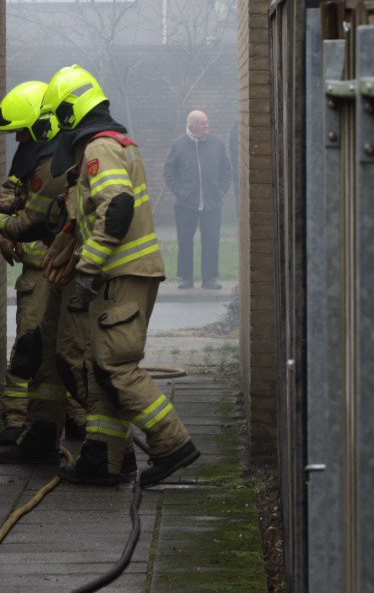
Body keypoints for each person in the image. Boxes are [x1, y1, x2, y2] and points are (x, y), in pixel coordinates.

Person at [37, 65, 199, 487]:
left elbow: (118, 205)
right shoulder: (113, 143)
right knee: (100, 366)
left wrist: (87, 269)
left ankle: (172, 442)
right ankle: (105, 458)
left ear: (69, 113)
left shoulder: (99, 148)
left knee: (116, 365)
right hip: (126, 273)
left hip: (122, 272)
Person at [0, 82, 80, 463]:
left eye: (22, 132)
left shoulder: (54, 165)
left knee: (59, 351)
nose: (18, 141)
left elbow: (29, 222)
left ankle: (82, 426)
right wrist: (10, 206)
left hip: (59, 266)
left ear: (42, 126)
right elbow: (24, 196)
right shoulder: (40, 159)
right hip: (44, 266)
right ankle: (29, 426)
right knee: (37, 350)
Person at [163, 110, 232, 289]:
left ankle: (209, 279)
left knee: (211, 240)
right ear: (191, 125)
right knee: (185, 240)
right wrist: (181, 192)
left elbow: (227, 169)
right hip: (185, 204)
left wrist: (220, 191)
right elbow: (169, 172)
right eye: (203, 123)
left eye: (207, 123)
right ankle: (186, 278)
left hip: (212, 203)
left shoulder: (217, 144)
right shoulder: (178, 145)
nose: (207, 126)